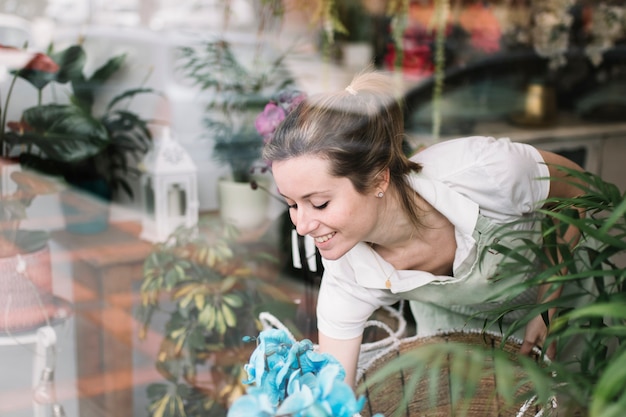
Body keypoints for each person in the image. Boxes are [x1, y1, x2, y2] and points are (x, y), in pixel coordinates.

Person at [262, 71, 585, 387]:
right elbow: (335, 395)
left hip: (566, 298)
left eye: (319, 203)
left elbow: (581, 193)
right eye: (292, 204)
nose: (302, 226)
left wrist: (547, 306)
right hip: (458, 330)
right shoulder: (347, 273)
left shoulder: (486, 171)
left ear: (378, 179)